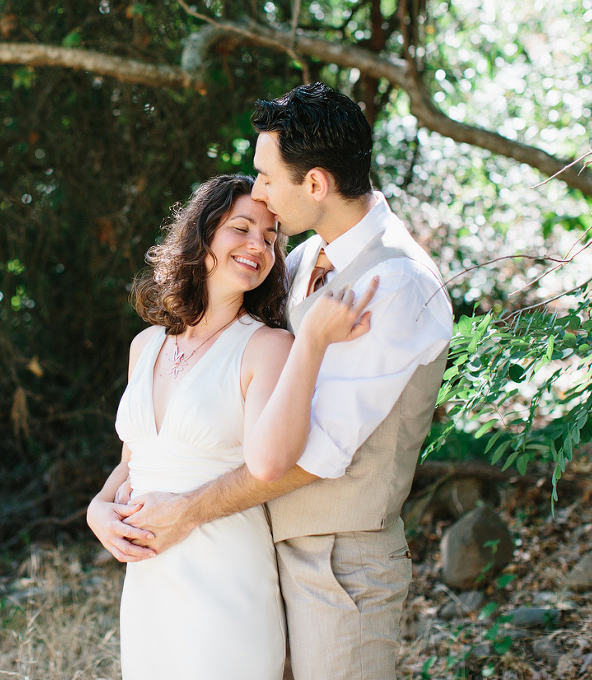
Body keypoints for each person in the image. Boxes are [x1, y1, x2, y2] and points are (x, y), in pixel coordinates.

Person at [94, 83, 454, 680]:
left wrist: (188, 510)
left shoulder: (395, 284)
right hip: (257, 544)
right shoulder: (299, 262)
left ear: (314, 184)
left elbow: (319, 454)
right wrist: (107, 505)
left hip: (339, 557)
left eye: (266, 177)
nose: (259, 192)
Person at [87, 173, 377, 680]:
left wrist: (310, 343)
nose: (257, 246)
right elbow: (134, 461)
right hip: (149, 582)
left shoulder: (267, 347)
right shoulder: (145, 345)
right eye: (241, 228)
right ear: (201, 235)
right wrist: (97, 510)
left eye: (269, 238)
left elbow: (271, 464)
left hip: (224, 574)